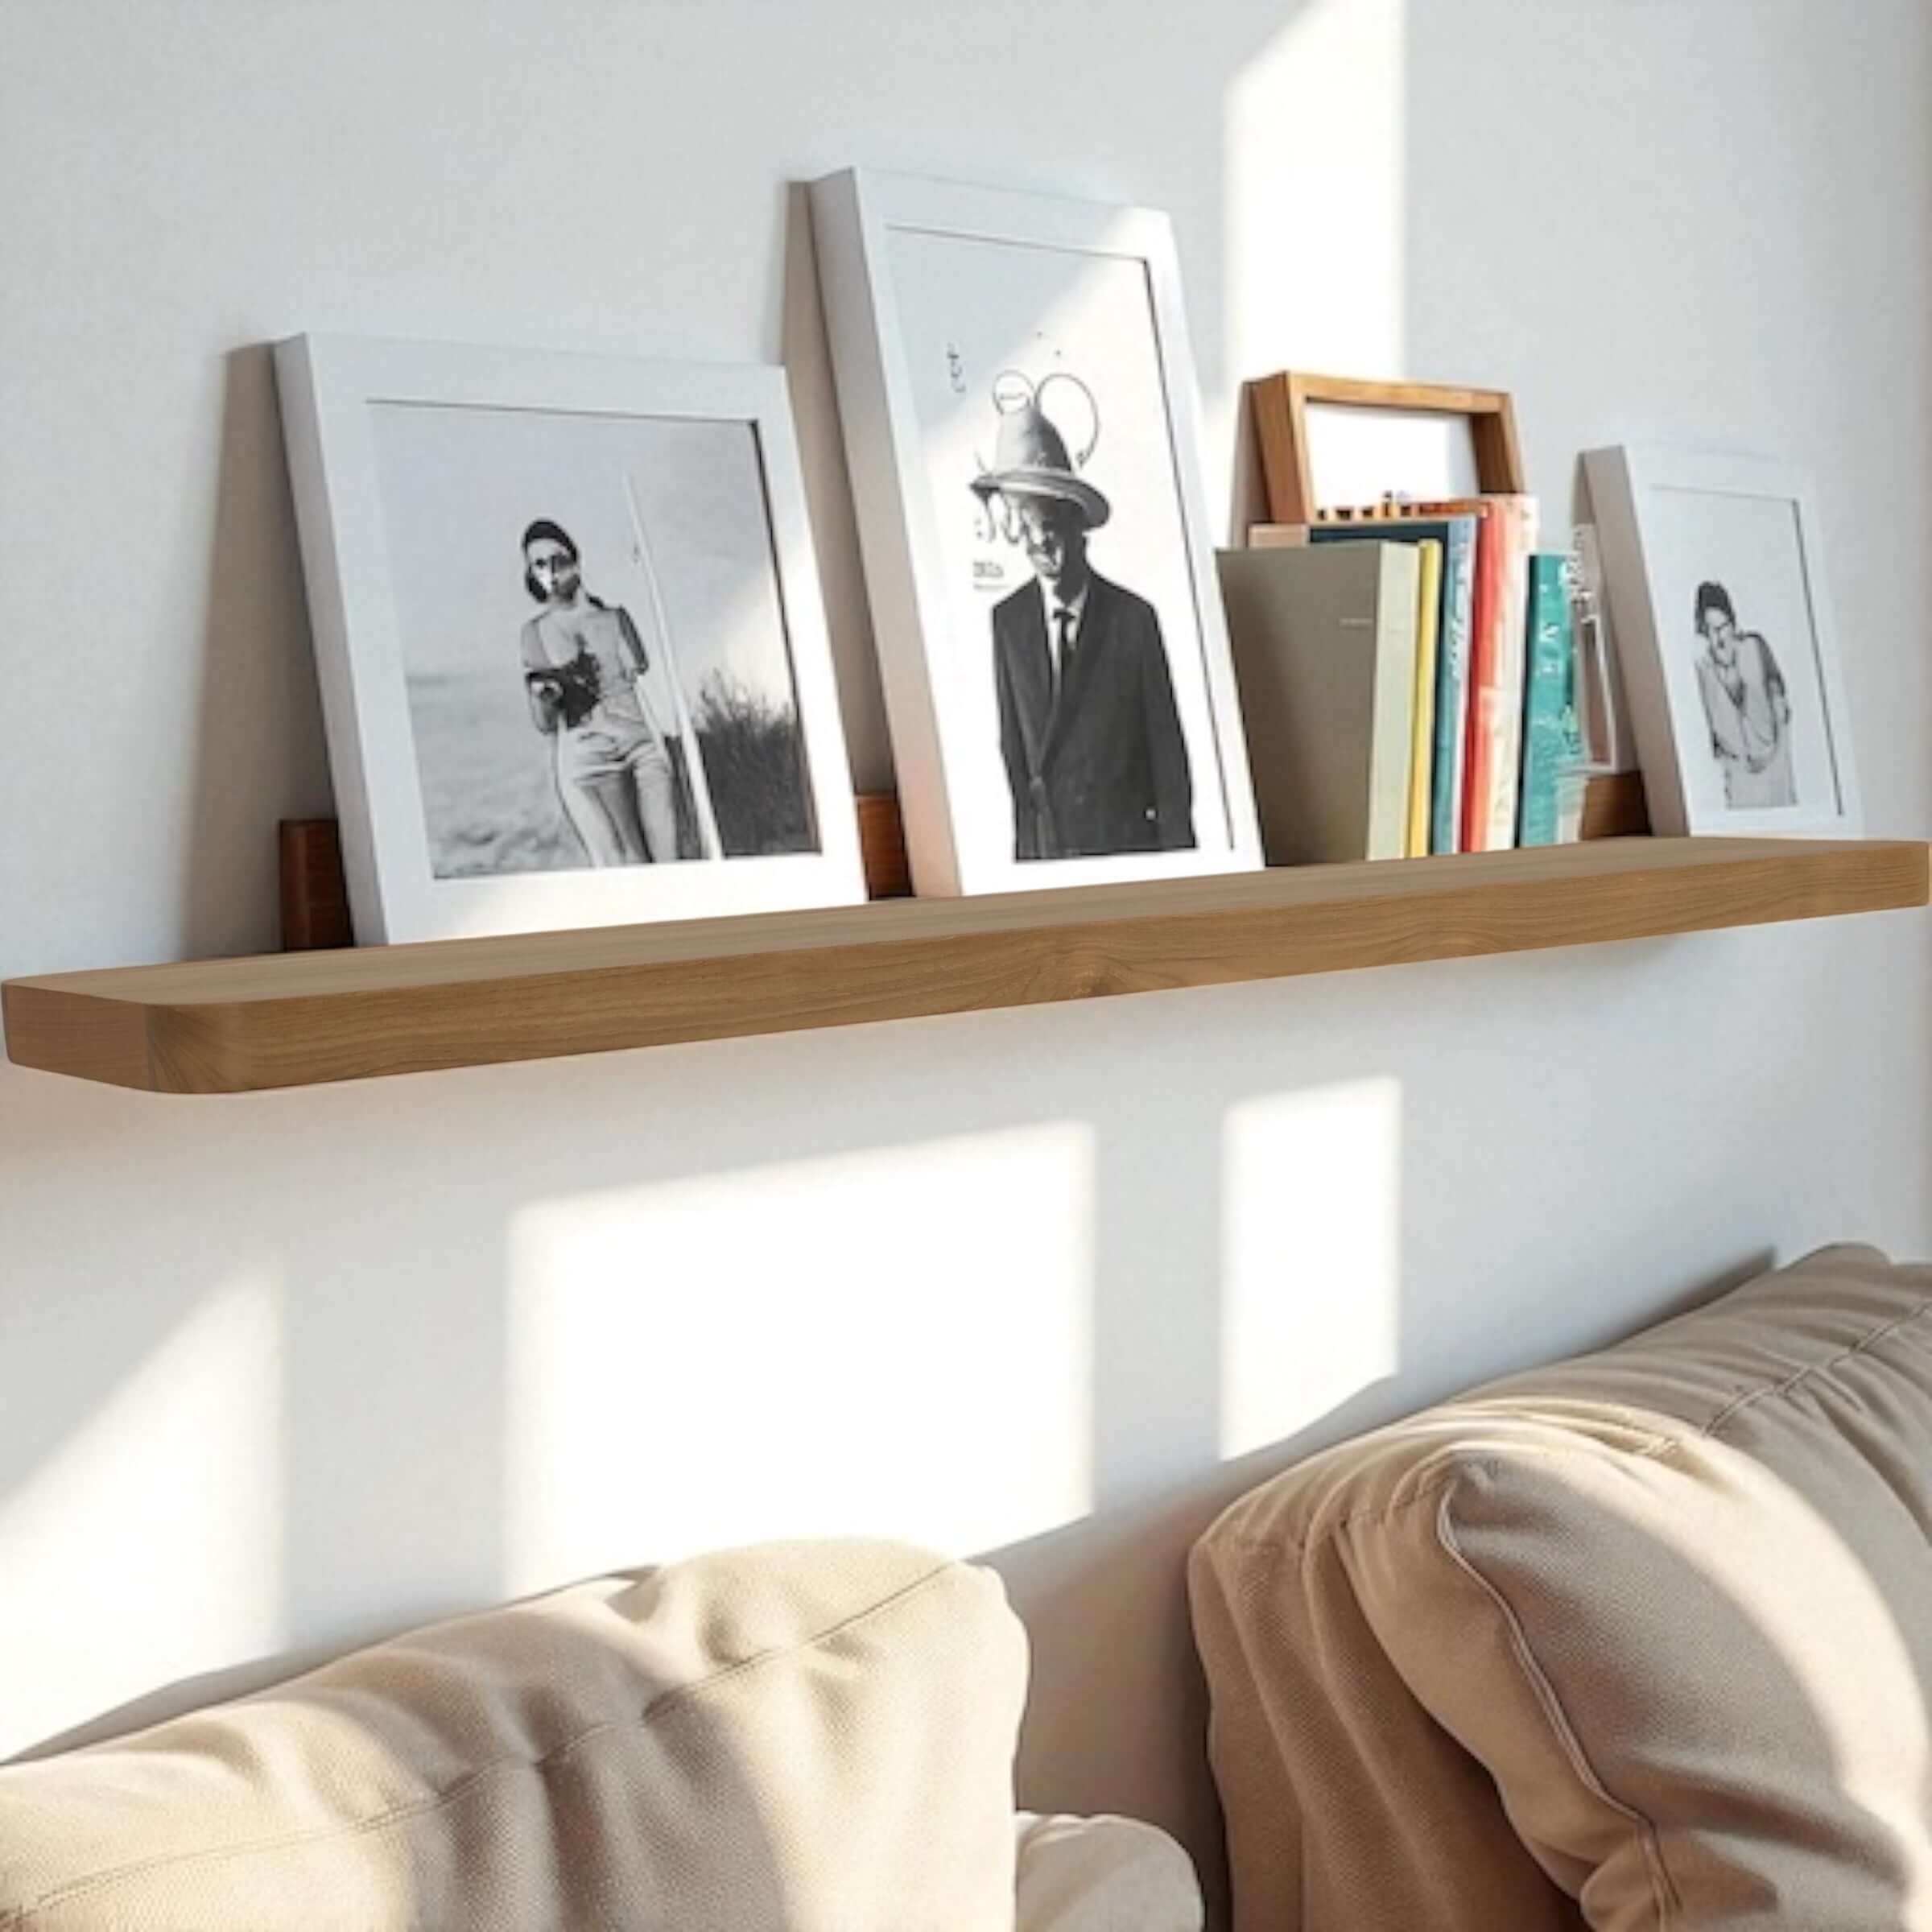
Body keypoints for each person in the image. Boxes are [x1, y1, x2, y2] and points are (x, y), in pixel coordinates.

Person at [972, 403, 1194, 861]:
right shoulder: (1007, 622)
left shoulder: (1132, 620)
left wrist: (1183, 880)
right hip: (1048, 858)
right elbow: (1015, 754)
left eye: (1049, 523)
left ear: (1077, 525)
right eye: (1025, 524)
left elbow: (1169, 768)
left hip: (1124, 857)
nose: (1039, 542)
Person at [518, 519, 681, 866]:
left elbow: (647, 681)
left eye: (558, 559)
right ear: (532, 575)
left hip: (641, 748)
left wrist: (667, 742)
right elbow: (545, 724)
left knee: (666, 861)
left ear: (575, 561)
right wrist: (544, 697)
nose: (552, 571)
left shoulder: (616, 618)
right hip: (585, 760)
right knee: (621, 866)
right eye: (540, 564)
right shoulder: (535, 633)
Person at [1692, 580, 1795, 809]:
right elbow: (1710, 734)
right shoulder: (1704, 671)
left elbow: (1781, 701)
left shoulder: (1755, 647)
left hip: (1774, 766)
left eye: (1722, 627)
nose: (1718, 638)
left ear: (1733, 623)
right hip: (1739, 780)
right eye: (1710, 630)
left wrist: (1780, 754)